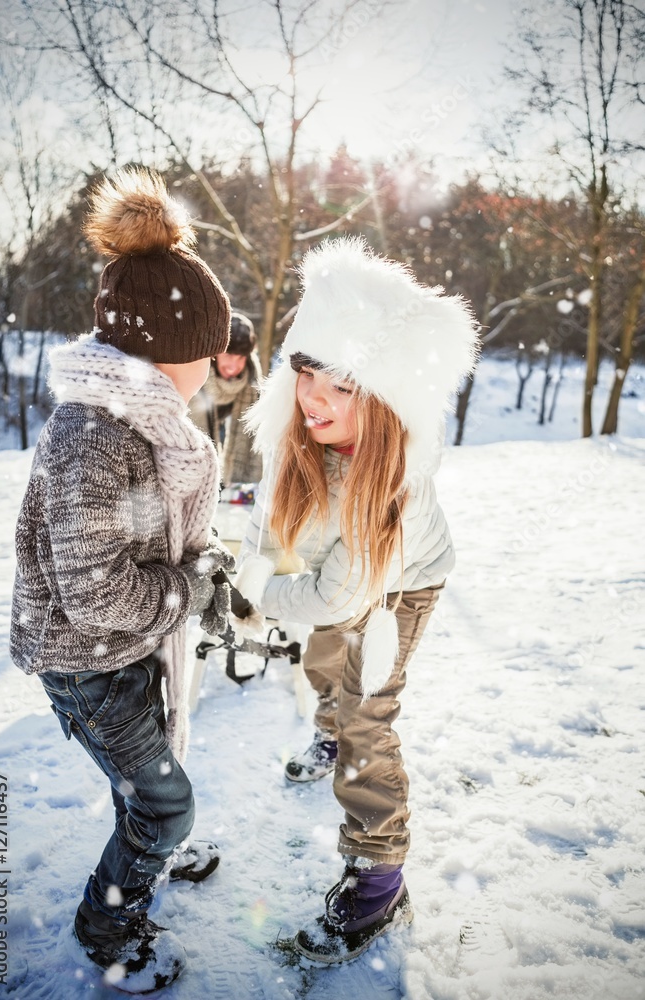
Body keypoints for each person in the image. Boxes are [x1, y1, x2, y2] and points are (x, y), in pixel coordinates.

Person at [9, 168, 243, 993]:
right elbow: (96, 594)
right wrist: (190, 592)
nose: (214, 368)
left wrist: (202, 565)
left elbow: (156, 539)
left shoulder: (142, 421)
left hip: (131, 643)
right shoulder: (91, 437)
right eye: (204, 353)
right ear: (159, 353)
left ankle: (149, 845)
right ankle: (106, 924)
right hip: (87, 658)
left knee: (145, 788)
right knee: (163, 801)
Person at [234, 236, 480, 964]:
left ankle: (379, 876)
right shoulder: (302, 428)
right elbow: (269, 531)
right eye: (305, 372)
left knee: (364, 711)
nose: (312, 396)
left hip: (402, 584)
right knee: (322, 661)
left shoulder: (389, 480)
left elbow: (332, 591)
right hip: (345, 576)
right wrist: (253, 573)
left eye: (339, 384)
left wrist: (259, 603)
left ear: (380, 395)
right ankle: (325, 724)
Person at [188, 311, 263, 487]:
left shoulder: (250, 380)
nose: (234, 366)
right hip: (204, 423)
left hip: (228, 423)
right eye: (229, 355)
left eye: (241, 358)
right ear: (215, 353)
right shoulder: (195, 377)